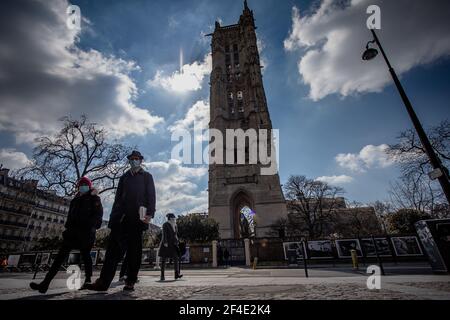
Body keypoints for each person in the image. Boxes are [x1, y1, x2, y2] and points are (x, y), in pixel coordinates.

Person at [87, 150, 155, 292]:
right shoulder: (124, 177)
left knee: (134, 252)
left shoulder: (147, 177)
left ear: (140, 160)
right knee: (112, 251)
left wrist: (150, 214)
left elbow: (151, 196)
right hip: (120, 219)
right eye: (132, 159)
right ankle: (103, 282)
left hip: (137, 219)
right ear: (129, 160)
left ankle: (130, 281)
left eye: (136, 158)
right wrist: (112, 219)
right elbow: (117, 199)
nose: (134, 161)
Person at [30, 177, 103, 294]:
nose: (83, 186)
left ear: (89, 186)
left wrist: (90, 227)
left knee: (86, 256)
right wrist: (68, 227)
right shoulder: (75, 200)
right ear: (78, 187)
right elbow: (70, 216)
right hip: (72, 233)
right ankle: (45, 283)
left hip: (86, 233)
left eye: (85, 184)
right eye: (81, 184)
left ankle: (88, 280)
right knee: (59, 258)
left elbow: (98, 217)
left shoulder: (95, 199)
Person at [159, 213, 182, 281]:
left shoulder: (175, 225)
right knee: (163, 260)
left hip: (173, 244)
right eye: (172, 218)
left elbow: (175, 235)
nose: (174, 219)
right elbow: (164, 234)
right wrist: (165, 242)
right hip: (166, 244)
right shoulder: (165, 224)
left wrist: (177, 241)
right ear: (169, 218)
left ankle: (176, 274)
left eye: (174, 218)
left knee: (176, 258)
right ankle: (162, 275)